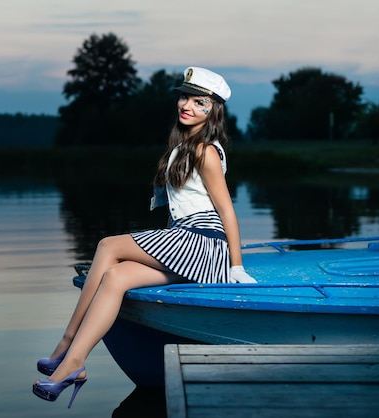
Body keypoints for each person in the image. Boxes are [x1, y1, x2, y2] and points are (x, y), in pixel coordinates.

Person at [32, 66, 256, 408]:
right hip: (187, 243)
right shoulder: (183, 147)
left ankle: (64, 345)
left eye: (199, 102)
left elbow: (227, 211)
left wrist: (236, 266)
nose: (187, 106)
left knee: (108, 245)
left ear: (213, 110)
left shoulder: (205, 151)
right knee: (115, 276)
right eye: (184, 97)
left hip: (202, 241)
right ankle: (74, 363)